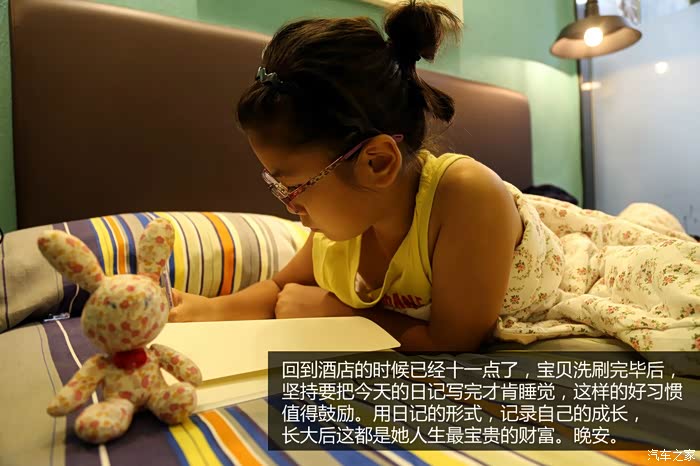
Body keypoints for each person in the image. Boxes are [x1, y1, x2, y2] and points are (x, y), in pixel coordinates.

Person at [167, 0, 529, 352]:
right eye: (279, 187)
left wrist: (337, 315)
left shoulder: (466, 193)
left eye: (294, 187)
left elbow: (454, 340)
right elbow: (280, 290)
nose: (291, 206)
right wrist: (208, 309)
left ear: (377, 164)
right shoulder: (349, 220)